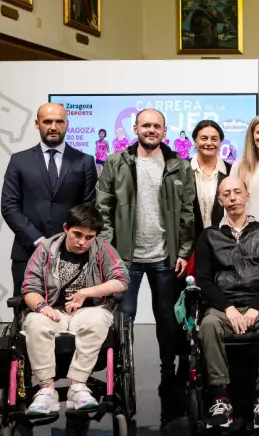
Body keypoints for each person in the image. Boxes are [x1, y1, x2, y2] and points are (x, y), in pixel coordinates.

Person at [96, 108, 195, 377]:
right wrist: (108, 250)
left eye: (157, 126)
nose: (151, 130)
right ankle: (120, 370)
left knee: (166, 317)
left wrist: (184, 251)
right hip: (125, 259)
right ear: (136, 129)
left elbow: (188, 213)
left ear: (165, 131)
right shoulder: (116, 163)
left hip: (165, 257)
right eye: (145, 125)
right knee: (123, 317)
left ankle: (168, 368)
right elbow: (103, 209)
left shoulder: (180, 166)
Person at [194, 177, 259, 429]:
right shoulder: (208, 236)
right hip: (224, 306)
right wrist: (229, 308)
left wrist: (256, 307)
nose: (233, 197)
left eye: (237, 192)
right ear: (220, 200)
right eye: (227, 194)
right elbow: (204, 279)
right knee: (209, 325)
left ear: (247, 197)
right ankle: (220, 397)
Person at [20, 204, 128, 415]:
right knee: (35, 322)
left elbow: (121, 280)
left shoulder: (102, 249)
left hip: (88, 311)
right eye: (77, 234)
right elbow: (29, 289)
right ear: (66, 228)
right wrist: (42, 307)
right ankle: (46, 390)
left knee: (99, 319)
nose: (82, 242)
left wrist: (86, 292)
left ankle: (78, 386)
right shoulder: (46, 249)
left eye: (89, 237)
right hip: (53, 310)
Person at [1, 103, 97, 296]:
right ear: (37, 124)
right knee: (24, 312)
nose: (53, 127)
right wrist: (38, 240)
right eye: (47, 121)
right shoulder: (19, 161)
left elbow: (89, 208)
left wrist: (71, 239)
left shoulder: (85, 161)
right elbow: (9, 206)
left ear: (67, 124)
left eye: (59, 121)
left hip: (73, 253)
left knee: (70, 312)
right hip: (27, 250)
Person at [191, 120, 231, 235]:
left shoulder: (231, 171)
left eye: (214, 139)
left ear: (220, 142)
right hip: (190, 244)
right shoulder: (183, 171)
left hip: (223, 243)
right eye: (204, 138)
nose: (209, 143)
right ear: (195, 141)